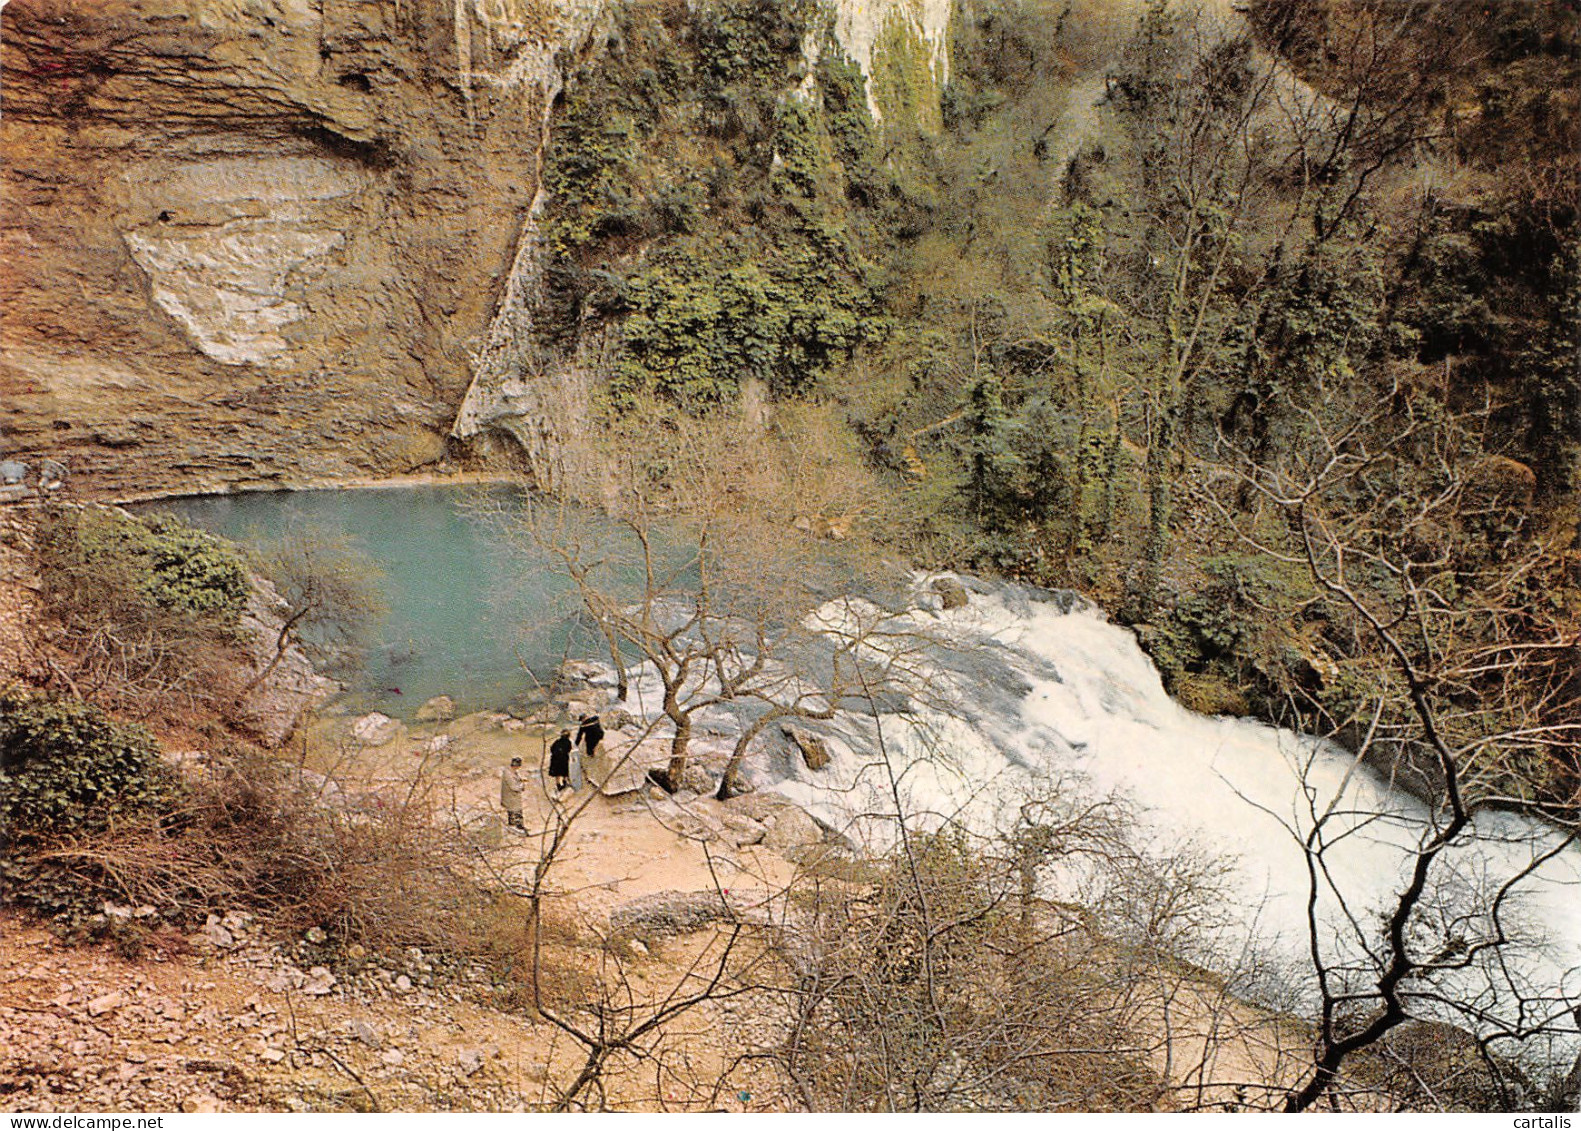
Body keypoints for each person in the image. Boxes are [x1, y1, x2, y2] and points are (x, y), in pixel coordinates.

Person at [500, 757, 525, 832]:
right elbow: (513, 787)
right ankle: (515, 828)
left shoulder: (512, 772)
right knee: (514, 813)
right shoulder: (508, 774)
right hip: (511, 797)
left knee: (517, 812)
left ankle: (519, 826)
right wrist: (521, 786)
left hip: (514, 797)